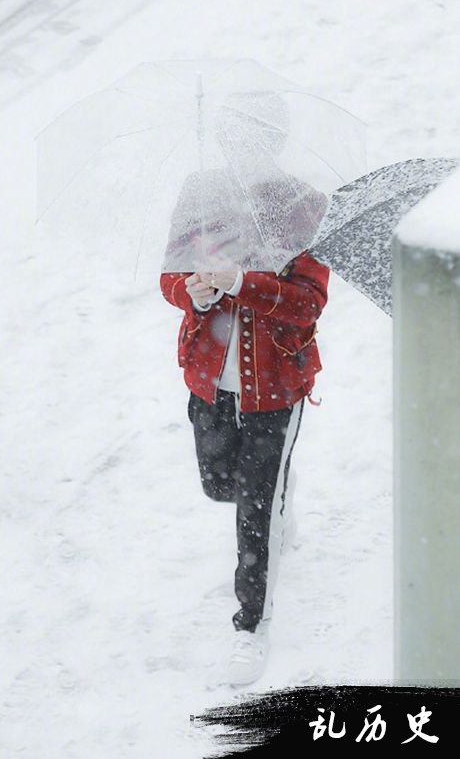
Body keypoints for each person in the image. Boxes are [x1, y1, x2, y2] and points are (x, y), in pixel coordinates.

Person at [159, 250, 329, 685]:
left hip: (275, 391)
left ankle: (252, 627)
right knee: (218, 486)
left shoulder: (298, 215)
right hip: (209, 382)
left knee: (255, 518)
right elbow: (169, 278)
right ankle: (275, 496)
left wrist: (240, 283)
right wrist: (192, 293)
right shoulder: (203, 211)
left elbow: (307, 304)